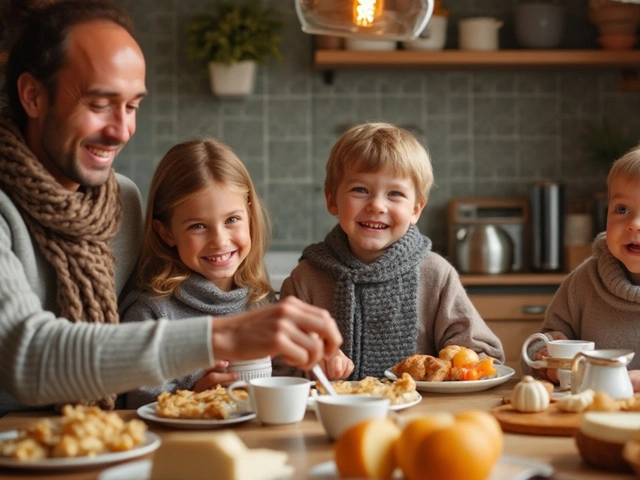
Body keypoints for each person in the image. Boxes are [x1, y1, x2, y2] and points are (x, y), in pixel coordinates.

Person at [0, 0, 341, 416]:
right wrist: (222, 337)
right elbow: (27, 356)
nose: (120, 130)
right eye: (98, 104)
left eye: (132, 106)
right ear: (33, 95)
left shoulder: (121, 202)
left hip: (98, 440)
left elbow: (117, 351)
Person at [276, 123, 504, 380]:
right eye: (360, 190)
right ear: (332, 199)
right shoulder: (305, 279)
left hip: (419, 417)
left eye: (395, 194)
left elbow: (482, 354)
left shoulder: (435, 274)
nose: (376, 205)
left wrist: (457, 368)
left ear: (416, 210)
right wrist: (312, 362)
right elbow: (280, 366)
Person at [121, 138, 276, 407]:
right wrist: (194, 392)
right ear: (166, 231)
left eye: (232, 220)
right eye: (197, 226)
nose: (219, 240)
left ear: (250, 215)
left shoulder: (260, 302)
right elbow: (135, 399)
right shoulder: (151, 313)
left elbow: (283, 375)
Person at [523, 146, 640, 392]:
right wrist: (548, 364)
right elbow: (539, 347)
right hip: (589, 416)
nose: (634, 224)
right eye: (622, 209)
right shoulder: (584, 281)